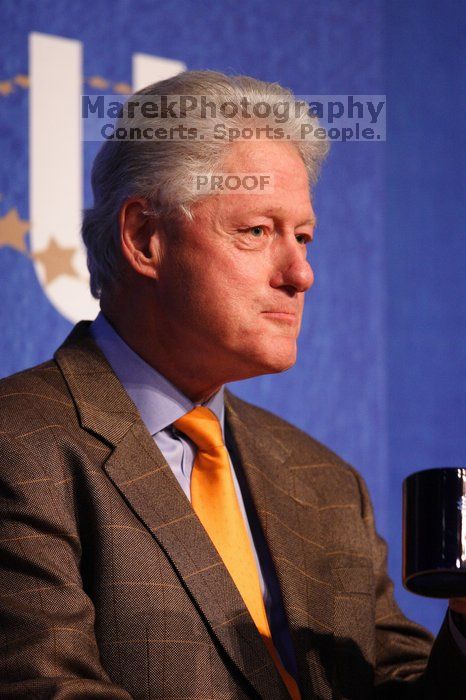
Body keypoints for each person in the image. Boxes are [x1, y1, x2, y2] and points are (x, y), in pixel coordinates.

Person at [0, 70, 464, 699]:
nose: (301, 273)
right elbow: (43, 686)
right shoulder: (19, 442)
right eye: (257, 231)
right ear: (144, 238)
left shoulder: (326, 482)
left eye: (303, 236)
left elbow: (397, 684)